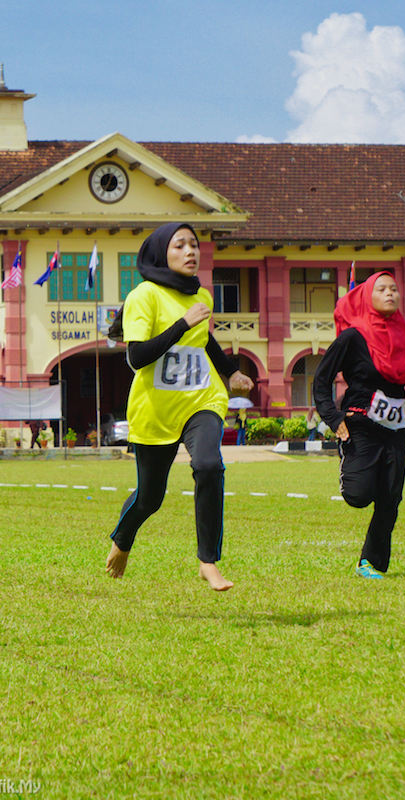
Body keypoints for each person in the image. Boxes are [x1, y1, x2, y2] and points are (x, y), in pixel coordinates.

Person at [103, 223, 254, 592]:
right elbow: (137, 356)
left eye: (194, 245)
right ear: (160, 253)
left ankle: (208, 561)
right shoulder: (144, 296)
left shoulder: (201, 294)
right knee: (150, 498)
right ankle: (123, 538)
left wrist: (231, 371)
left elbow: (204, 339)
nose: (191, 252)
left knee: (209, 465)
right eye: (180, 245)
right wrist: (181, 323)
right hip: (155, 410)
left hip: (202, 399)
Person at [313, 271, 405, 578]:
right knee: (358, 495)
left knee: (390, 498)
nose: (390, 294)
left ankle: (370, 563)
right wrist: (333, 417)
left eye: (394, 289)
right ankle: (351, 466)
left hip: (395, 427)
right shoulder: (352, 337)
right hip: (360, 423)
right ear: (367, 296)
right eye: (382, 289)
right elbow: (321, 380)